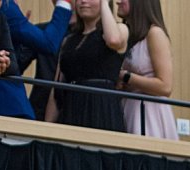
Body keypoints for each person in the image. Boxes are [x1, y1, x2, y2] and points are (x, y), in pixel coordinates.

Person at [45, 0, 127, 130]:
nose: (83, 1)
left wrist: (104, 4)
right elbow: (57, 86)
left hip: (101, 107)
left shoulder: (120, 29)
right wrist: (48, 125)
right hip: (72, 107)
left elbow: (113, 40)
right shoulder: (68, 40)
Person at [117, 0, 173, 138]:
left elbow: (165, 86)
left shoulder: (154, 33)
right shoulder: (127, 34)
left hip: (149, 113)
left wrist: (125, 76)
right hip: (128, 107)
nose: (118, 2)